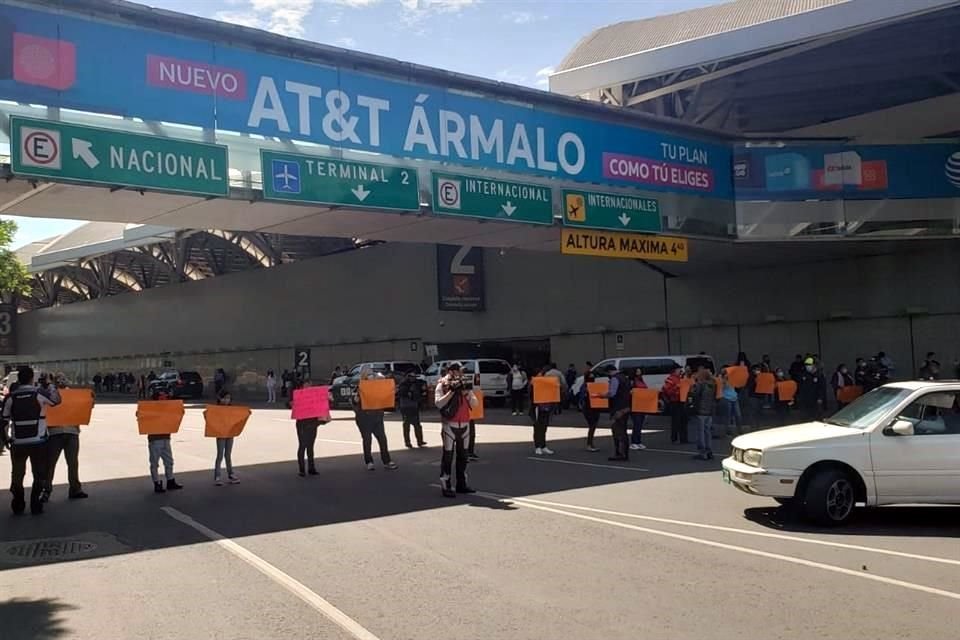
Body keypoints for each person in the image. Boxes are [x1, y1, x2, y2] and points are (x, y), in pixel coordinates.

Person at [5, 367, 61, 515]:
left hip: (18, 443)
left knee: (17, 474)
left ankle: (18, 502)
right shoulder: (39, 394)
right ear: (32, 379)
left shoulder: (10, 397)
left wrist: (5, 439)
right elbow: (56, 401)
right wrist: (49, 385)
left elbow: (3, 421)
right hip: (38, 442)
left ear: (18, 379)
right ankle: (35, 504)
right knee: (39, 474)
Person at [434, 362, 479, 497]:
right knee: (448, 457)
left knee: (463, 457)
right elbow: (438, 403)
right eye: (459, 371)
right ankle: (446, 485)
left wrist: (467, 393)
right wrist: (452, 392)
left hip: (465, 424)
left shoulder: (465, 384)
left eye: (462, 371)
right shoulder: (442, 384)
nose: (461, 374)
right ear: (452, 371)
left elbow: (475, 404)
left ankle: (462, 484)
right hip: (450, 425)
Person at [43, 374, 88, 502]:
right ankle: (47, 490)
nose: (61, 382)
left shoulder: (71, 395)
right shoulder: (50, 395)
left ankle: (73, 489)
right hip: (57, 433)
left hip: (69, 432)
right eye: (59, 380)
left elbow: (84, 407)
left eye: (62, 380)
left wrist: (90, 400)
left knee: (70, 463)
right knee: (53, 463)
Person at [352, 366, 398, 471]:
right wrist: (356, 399)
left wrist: (391, 392)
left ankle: (387, 461)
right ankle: (369, 461)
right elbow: (354, 402)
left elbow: (385, 395)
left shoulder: (378, 386)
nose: (371, 377)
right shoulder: (360, 387)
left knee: (382, 439)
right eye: (368, 375)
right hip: (364, 417)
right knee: (367, 440)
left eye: (371, 374)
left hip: (377, 416)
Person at [596, 364, 631, 461]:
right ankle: (625, 453)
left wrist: (600, 395)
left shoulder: (615, 379)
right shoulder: (625, 378)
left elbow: (612, 393)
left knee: (617, 430)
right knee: (623, 430)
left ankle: (619, 453)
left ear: (609, 372)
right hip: (626, 407)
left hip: (617, 408)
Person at [147, 403, 184, 494]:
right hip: (155, 439)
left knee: (169, 461)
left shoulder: (166, 409)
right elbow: (142, 416)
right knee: (155, 463)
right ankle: (157, 483)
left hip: (166, 437)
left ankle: (170, 480)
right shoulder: (149, 409)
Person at [294, 380, 322, 477]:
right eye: (306, 385)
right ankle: (302, 469)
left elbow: (321, 408)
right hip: (302, 424)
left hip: (313, 424)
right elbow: (289, 404)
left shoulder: (315, 397)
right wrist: (291, 404)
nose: (308, 387)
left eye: (310, 385)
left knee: (310, 446)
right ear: (302, 386)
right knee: (302, 446)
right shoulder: (299, 396)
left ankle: (311, 468)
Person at [211, 390, 240, 486]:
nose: (227, 400)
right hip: (220, 434)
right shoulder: (217, 409)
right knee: (220, 455)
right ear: (220, 398)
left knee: (228, 455)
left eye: (228, 398)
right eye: (225, 398)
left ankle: (231, 474)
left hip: (230, 434)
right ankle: (217, 476)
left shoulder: (231, 409)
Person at [689, 368, 717, 461]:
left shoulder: (700, 385)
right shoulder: (713, 384)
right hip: (709, 411)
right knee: (707, 431)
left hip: (701, 410)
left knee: (700, 432)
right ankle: (709, 451)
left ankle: (702, 452)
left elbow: (694, 395)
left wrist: (693, 386)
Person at [532, 365, 557, 455]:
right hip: (538, 407)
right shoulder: (536, 381)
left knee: (544, 426)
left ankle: (543, 446)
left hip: (546, 406)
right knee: (538, 427)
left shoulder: (547, 382)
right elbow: (532, 393)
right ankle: (537, 446)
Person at [397, 371, 426, 448]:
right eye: (411, 376)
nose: (412, 378)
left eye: (414, 376)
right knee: (406, 425)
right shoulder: (403, 384)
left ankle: (420, 441)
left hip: (414, 406)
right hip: (406, 407)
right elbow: (401, 393)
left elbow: (421, 390)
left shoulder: (416, 383)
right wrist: (409, 391)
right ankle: (407, 442)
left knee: (417, 425)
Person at [661, 365, 687, 444]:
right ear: (675, 370)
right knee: (676, 421)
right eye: (679, 369)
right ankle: (674, 438)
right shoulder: (670, 379)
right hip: (675, 401)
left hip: (682, 400)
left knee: (683, 420)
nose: (680, 370)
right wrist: (676, 387)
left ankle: (683, 438)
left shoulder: (680, 378)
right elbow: (666, 390)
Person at [797, 357, 827, 422]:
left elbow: (822, 388)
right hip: (806, 401)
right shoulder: (804, 374)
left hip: (816, 400)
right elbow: (801, 387)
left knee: (817, 417)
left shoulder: (819, 375)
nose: (807, 367)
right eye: (806, 365)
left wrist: (820, 398)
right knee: (805, 418)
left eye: (809, 365)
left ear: (814, 365)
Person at [579, 369, 601, 452]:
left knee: (593, 426)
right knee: (592, 425)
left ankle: (590, 443)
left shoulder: (594, 386)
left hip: (595, 407)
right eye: (591, 376)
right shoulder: (584, 386)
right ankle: (589, 444)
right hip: (588, 408)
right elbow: (582, 397)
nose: (592, 378)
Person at [718, 369, 742, 437]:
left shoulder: (732, 378)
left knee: (738, 415)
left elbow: (737, 386)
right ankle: (728, 432)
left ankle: (739, 430)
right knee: (728, 416)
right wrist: (724, 380)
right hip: (726, 398)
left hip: (734, 398)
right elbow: (721, 387)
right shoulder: (722, 380)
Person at [629, 369, 648, 451]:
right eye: (637, 371)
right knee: (637, 423)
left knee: (640, 424)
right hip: (635, 404)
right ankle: (634, 442)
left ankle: (638, 441)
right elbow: (629, 391)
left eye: (640, 371)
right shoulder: (632, 381)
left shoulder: (641, 380)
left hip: (642, 403)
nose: (639, 372)